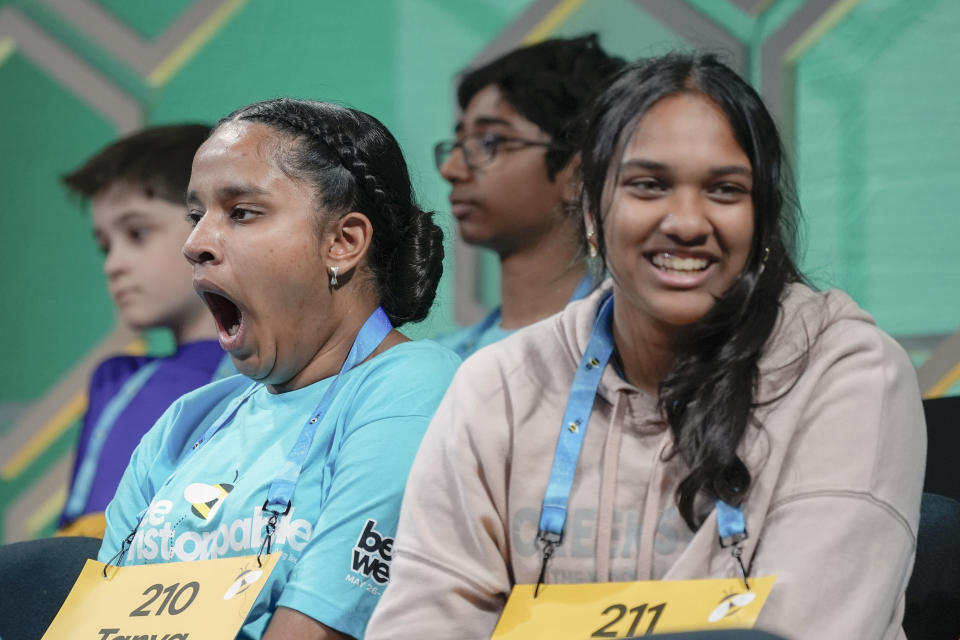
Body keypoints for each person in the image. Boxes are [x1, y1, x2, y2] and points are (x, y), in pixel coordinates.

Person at [367, 53, 926, 639]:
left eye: (725, 189)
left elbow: (804, 631)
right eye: (649, 185)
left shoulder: (848, 374)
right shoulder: (499, 385)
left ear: (762, 218)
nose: (686, 220)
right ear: (590, 211)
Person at [98, 99, 460, 639]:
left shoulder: (414, 386)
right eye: (196, 217)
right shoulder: (187, 422)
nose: (194, 244)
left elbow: (318, 629)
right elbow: (97, 623)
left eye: (241, 212)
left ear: (343, 242)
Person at [59, 124, 231, 537]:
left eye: (137, 234)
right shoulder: (114, 378)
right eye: (105, 245)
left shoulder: (263, 381)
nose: (112, 264)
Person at [433, 34, 624, 358]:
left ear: (579, 175)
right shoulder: (438, 362)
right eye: (459, 142)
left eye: (489, 141)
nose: (451, 168)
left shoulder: (631, 357)